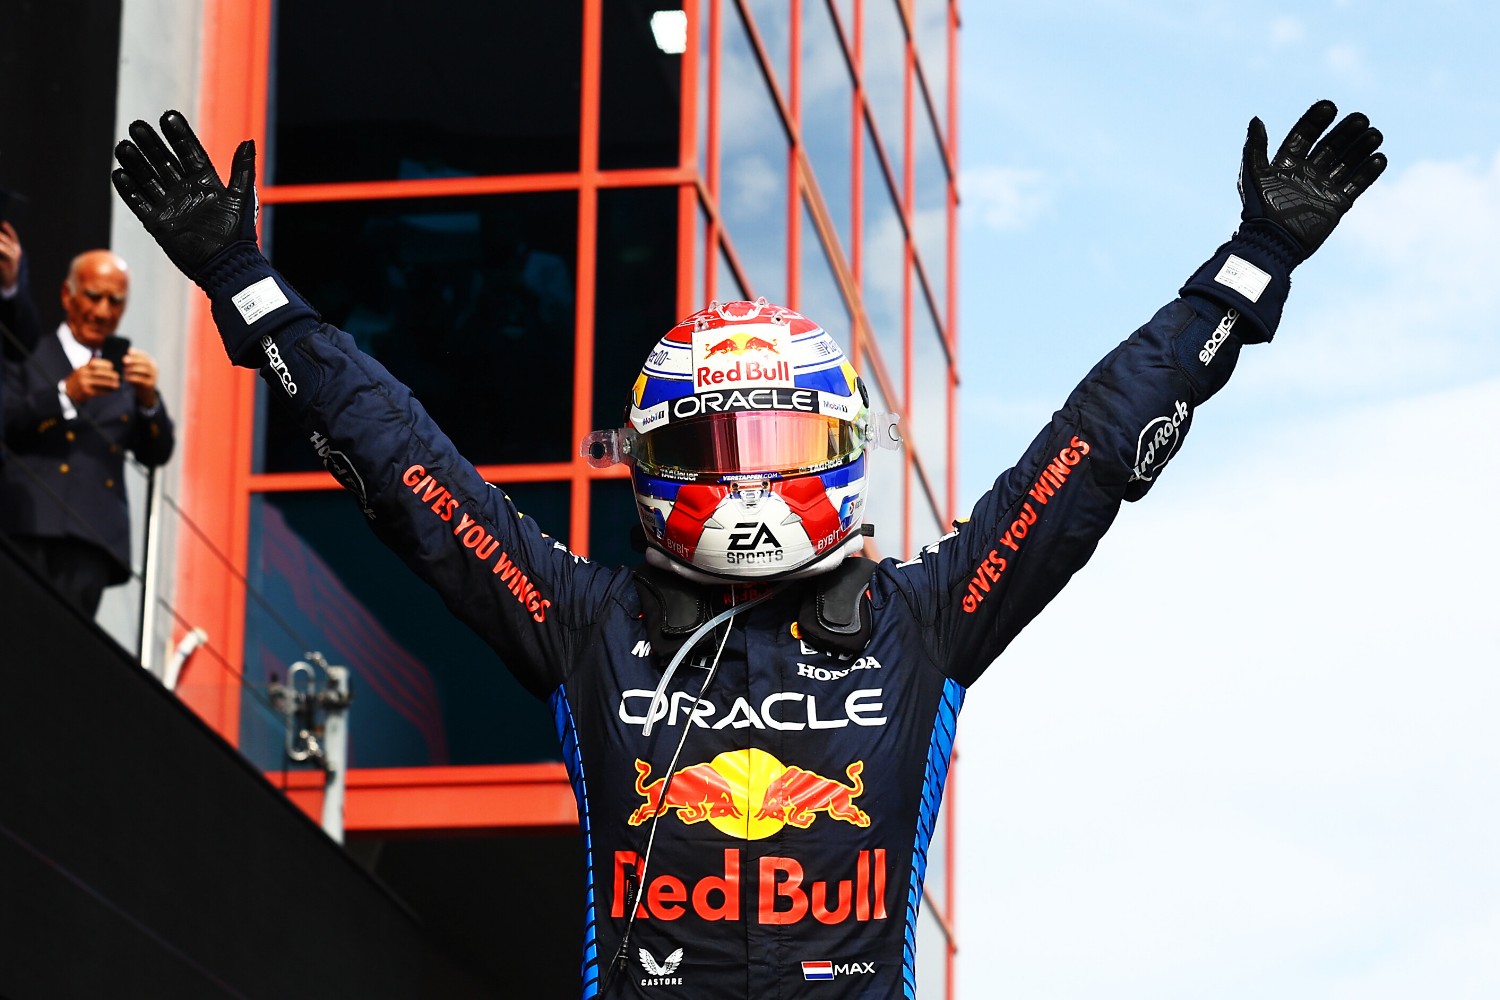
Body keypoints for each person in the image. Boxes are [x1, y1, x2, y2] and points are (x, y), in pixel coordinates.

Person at [111, 103, 1385, 998]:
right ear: (654, 461)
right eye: (717, 446)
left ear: (834, 446)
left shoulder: (922, 616)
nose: (751, 475)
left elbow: (1093, 456)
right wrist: (246, 285)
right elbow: (404, 468)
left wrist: (1245, 270)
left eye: (779, 440)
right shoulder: (583, 622)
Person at [0, 249, 175, 617]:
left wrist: (148, 401)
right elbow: (8, 421)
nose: (103, 312)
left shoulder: (127, 376)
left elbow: (156, 452)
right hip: (24, 522)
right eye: (94, 296)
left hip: (90, 533)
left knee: (66, 652)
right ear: (68, 295)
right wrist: (64, 395)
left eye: (116, 301)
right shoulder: (26, 352)